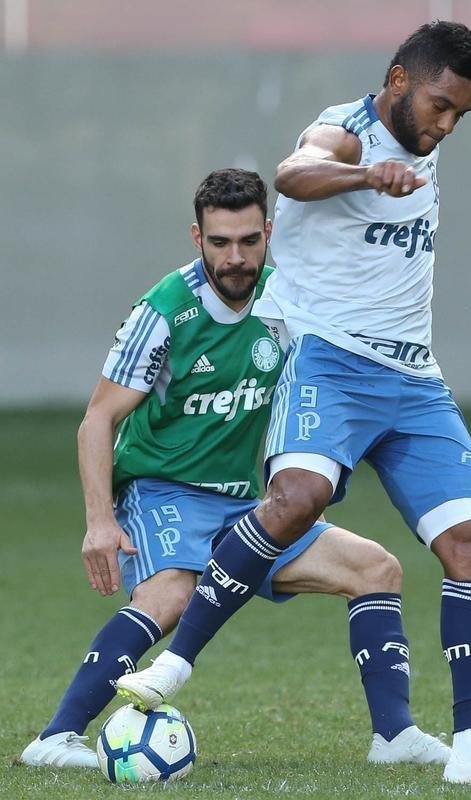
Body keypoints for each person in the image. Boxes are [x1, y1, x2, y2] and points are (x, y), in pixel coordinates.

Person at [116, 25, 471, 786]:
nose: (446, 123)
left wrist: (410, 157)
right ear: (395, 81)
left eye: (460, 113)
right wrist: (364, 177)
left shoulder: (425, 136)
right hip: (328, 360)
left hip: (413, 378)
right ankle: (176, 664)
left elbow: (415, 141)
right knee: (296, 497)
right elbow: (294, 172)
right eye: (438, 105)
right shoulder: (346, 132)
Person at [21, 168, 449, 770]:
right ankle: (55, 738)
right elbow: (97, 420)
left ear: (269, 232)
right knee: (173, 593)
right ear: (196, 238)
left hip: (244, 505)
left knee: (375, 568)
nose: (236, 257)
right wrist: (98, 520)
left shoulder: (287, 303)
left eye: (249, 241)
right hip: (159, 489)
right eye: (220, 242)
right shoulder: (165, 311)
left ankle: (396, 736)